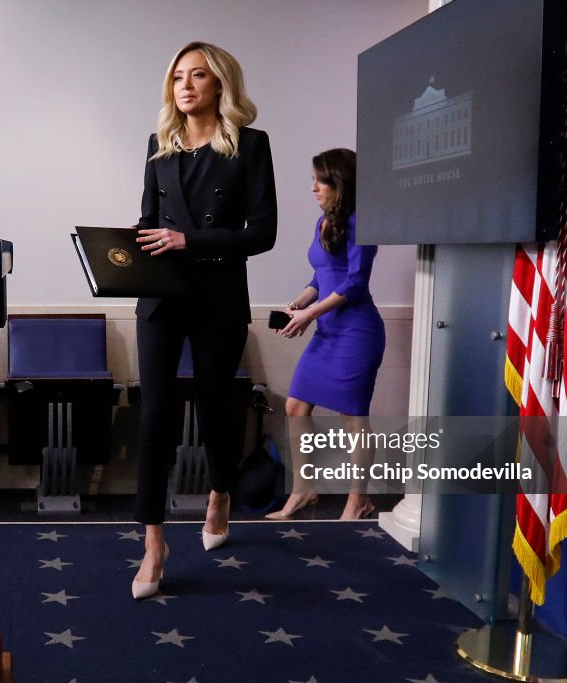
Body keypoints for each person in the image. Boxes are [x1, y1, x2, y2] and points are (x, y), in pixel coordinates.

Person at [131, 41, 277, 599]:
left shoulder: (250, 145)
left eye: (198, 76)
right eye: (177, 78)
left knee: (218, 409)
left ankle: (220, 493)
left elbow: (261, 233)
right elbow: (148, 223)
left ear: (221, 84)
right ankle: (153, 544)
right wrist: (121, 256)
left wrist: (188, 239)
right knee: (154, 418)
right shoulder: (158, 147)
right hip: (161, 300)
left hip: (217, 296)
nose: (185, 86)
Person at [267, 148, 384, 521]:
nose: (313, 187)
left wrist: (310, 315)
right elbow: (322, 275)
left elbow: (355, 282)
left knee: (353, 419)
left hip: (357, 332)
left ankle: (357, 500)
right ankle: (303, 489)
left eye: (321, 180)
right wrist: (299, 303)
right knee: (295, 406)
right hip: (328, 330)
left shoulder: (362, 222)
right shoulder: (324, 221)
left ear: (340, 183)